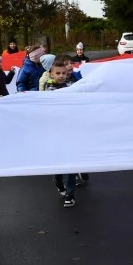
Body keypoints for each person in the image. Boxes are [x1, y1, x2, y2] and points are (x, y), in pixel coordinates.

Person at [41, 59, 79, 207]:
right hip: (55, 131)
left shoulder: (73, 87)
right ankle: (58, 180)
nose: (61, 76)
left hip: (71, 131)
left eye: (64, 73)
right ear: (51, 73)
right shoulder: (47, 90)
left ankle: (70, 194)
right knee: (60, 162)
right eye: (58, 73)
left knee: (71, 162)